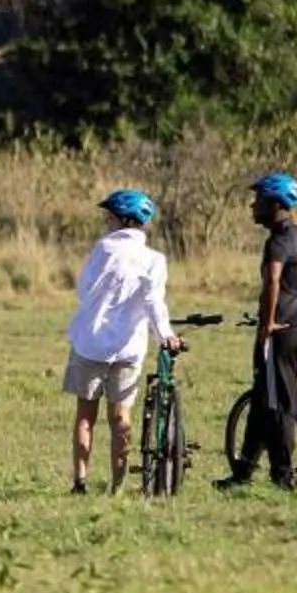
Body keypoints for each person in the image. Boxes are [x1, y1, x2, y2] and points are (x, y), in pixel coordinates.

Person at [220, 170, 297, 490]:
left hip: (282, 333)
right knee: (264, 398)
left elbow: (272, 280)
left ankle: (283, 475)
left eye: (258, 200)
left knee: (282, 406)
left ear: (274, 205)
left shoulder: (279, 241)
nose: (252, 205)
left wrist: (268, 323)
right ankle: (243, 471)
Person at [63, 188, 182, 495]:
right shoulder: (154, 260)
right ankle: (117, 486)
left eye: (110, 217)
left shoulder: (103, 249)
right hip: (128, 349)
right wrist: (165, 335)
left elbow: (83, 290)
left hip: (90, 343)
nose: (107, 222)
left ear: (121, 219)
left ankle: (80, 481)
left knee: (85, 416)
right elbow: (155, 302)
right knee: (121, 419)